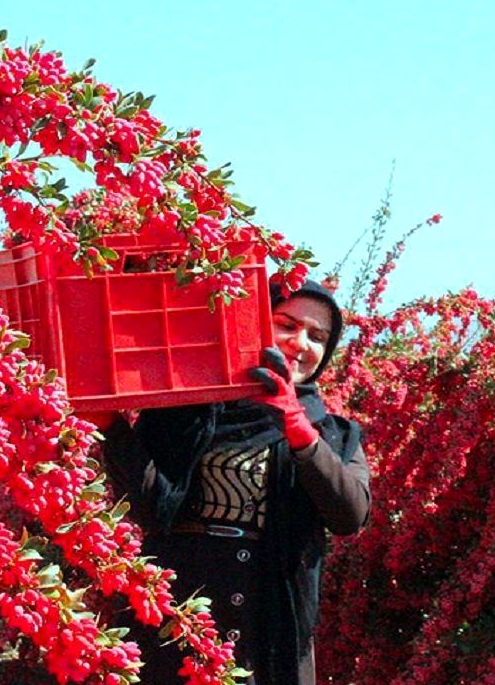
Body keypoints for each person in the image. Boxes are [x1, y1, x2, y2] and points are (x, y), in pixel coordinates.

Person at [93, 279, 371, 685]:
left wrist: (297, 427)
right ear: (251, 322)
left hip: (270, 625)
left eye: (317, 336)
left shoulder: (334, 435)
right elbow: (151, 507)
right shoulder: (186, 411)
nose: (300, 343)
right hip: (179, 615)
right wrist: (113, 429)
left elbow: (350, 515)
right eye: (285, 325)